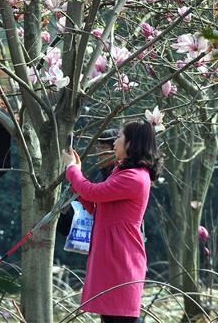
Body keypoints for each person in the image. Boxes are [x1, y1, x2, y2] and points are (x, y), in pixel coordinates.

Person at [62, 120, 161, 323]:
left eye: (119, 138)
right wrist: (76, 185)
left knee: (123, 318)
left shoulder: (134, 177)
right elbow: (96, 205)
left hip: (122, 259)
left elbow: (93, 192)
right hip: (112, 257)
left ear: (131, 144)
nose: (114, 143)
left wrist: (73, 171)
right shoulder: (122, 173)